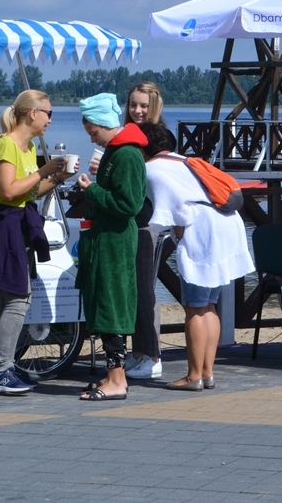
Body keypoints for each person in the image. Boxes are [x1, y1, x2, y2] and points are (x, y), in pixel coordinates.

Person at [0, 90, 77, 395]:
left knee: (8, 298)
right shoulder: (7, 145)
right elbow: (8, 190)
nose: (50, 120)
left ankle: (3, 367)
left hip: (17, 223)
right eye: (48, 113)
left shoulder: (28, 148)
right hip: (3, 223)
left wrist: (57, 178)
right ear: (33, 113)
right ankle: (2, 371)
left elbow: (28, 192)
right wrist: (44, 171)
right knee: (18, 298)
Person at [139, 122, 254, 392]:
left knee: (194, 307)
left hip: (203, 231)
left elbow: (167, 214)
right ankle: (207, 373)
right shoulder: (183, 161)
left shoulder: (151, 169)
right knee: (209, 305)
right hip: (226, 222)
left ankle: (193, 376)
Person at [74, 93, 147, 401]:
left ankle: (117, 380)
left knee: (111, 305)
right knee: (106, 302)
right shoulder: (117, 152)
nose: (93, 139)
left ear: (104, 124)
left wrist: (91, 191)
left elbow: (129, 204)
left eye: (94, 132)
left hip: (114, 242)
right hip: (106, 239)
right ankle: (114, 375)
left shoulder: (126, 155)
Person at [121, 82, 172, 380]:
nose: (137, 110)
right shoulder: (129, 134)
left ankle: (153, 357)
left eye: (143, 105)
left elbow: (152, 176)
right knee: (135, 291)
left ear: (154, 106)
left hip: (149, 222)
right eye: (133, 105)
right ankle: (139, 352)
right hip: (134, 220)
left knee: (145, 291)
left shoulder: (158, 137)